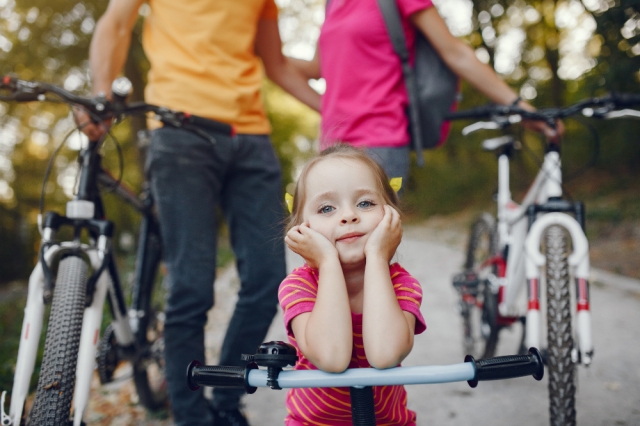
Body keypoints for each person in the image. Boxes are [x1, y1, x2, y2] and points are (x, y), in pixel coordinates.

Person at [75, 0, 321, 425]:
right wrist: (100, 94)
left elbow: (276, 65)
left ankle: (226, 400)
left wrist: (339, 111)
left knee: (267, 281)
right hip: (179, 132)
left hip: (251, 138)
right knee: (191, 285)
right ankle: (190, 416)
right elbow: (115, 25)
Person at [290, 0, 562, 182]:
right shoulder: (332, 4)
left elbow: (455, 53)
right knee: (328, 259)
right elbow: (319, 68)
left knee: (368, 260)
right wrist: (258, 50)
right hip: (330, 146)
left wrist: (520, 107)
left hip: (380, 143)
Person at [278, 144, 427, 425]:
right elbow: (332, 358)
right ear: (302, 229)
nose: (348, 216)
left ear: (390, 216)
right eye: (326, 208)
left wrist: (377, 257)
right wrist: (328, 263)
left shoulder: (402, 284)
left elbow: (384, 355)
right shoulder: (298, 286)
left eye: (365, 203)